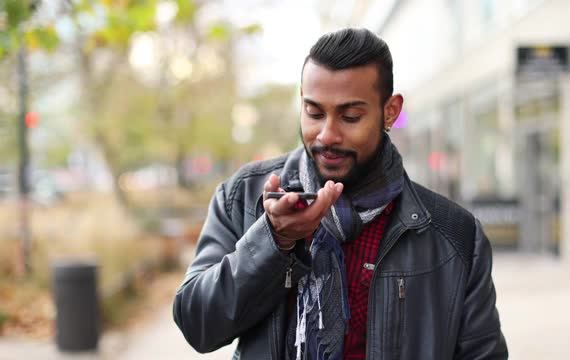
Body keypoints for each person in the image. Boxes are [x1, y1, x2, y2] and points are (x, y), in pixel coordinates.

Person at [173, 28, 508, 360]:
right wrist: (273, 242)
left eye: (350, 116)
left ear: (390, 111)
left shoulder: (455, 235)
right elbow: (198, 325)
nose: (327, 134)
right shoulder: (244, 196)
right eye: (314, 113)